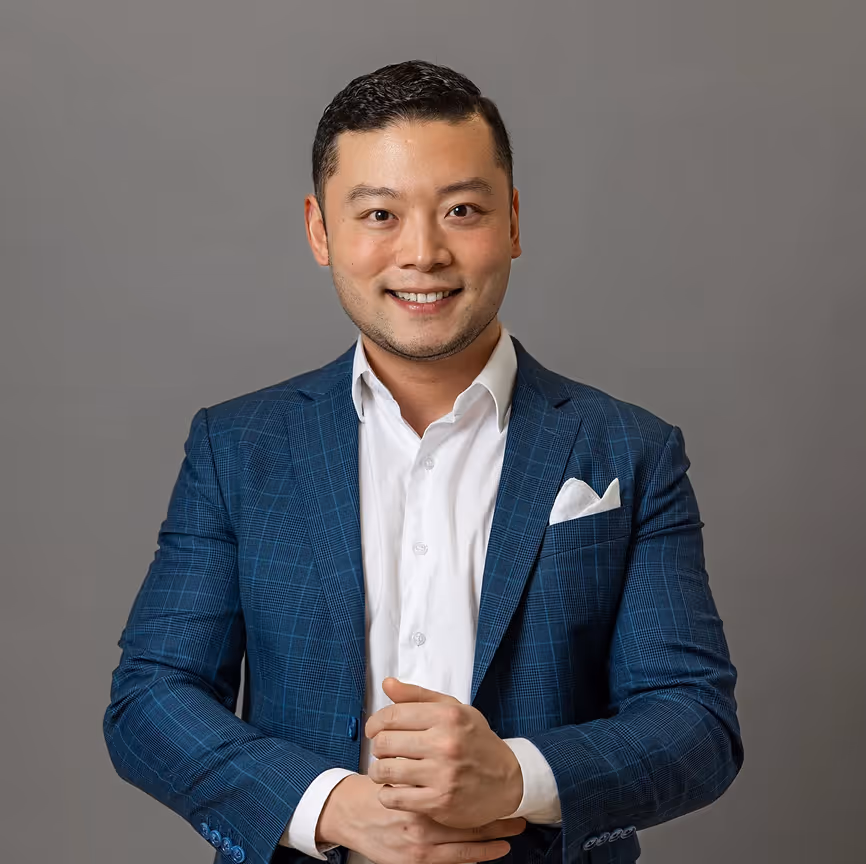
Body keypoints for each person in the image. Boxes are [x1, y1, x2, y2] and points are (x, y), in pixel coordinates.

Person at [103, 60, 743, 864]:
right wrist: (331, 806)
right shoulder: (237, 447)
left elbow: (695, 723)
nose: (423, 253)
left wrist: (514, 777)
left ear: (513, 221)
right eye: (379, 214)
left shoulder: (630, 449)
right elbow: (151, 699)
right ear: (320, 231)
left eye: (461, 211)